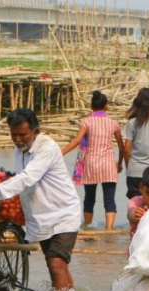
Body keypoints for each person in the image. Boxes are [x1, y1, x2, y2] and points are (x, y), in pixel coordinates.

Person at [0, 108, 82, 291]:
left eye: (23, 135)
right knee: (57, 265)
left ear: (35, 132)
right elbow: (21, 177)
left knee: (55, 265)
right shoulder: (19, 150)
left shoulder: (47, 147)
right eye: (13, 135)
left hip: (63, 214)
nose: (18, 139)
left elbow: (27, 178)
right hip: (41, 216)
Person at [62, 91, 124, 231]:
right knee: (109, 200)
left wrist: (60, 153)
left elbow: (77, 140)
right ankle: (109, 230)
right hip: (108, 164)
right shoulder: (113, 123)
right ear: (106, 106)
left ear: (91, 106)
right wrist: (119, 163)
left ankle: (88, 228)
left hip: (91, 164)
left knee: (89, 198)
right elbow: (121, 146)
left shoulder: (87, 122)